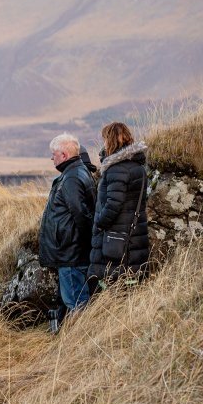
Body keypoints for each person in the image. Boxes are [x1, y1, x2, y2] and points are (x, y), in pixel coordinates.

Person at [38, 134, 97, 318]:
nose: (51, 158)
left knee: (77, 305)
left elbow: (81, 215)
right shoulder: (75, 172)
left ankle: (80, 343)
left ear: (63, 155)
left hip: (71, 254)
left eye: (53, 154)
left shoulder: (71, 177)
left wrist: (80, 243)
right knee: (76, 302)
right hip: (72, 251)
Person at [89, 122, 149, 290]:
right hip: (133, 235)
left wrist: (99, 223)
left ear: (111, 140)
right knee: (130, 285)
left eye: (105, 139)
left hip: (115, 238)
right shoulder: (137, 167)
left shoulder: (117, 169)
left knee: (114, 286)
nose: (104, 144)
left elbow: (113, 205)